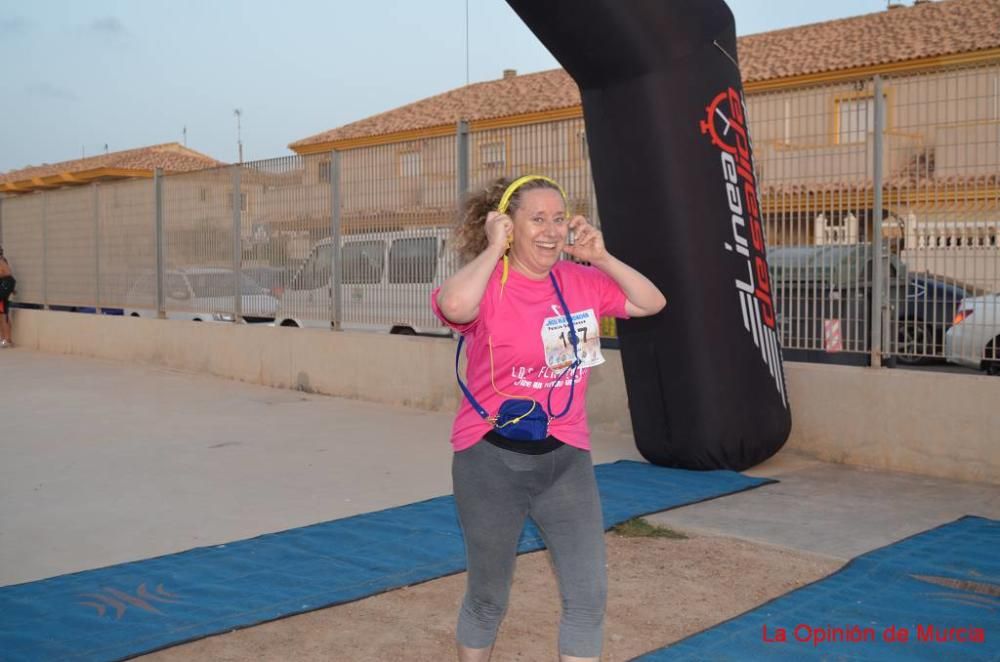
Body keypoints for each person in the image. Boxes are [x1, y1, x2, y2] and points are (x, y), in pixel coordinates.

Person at [432, 175, 666, 662]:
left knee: (588, 596)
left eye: (559, 219)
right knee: (488, 594)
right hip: (489, 461)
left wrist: (601, 257)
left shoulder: (580, 282)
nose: (551, 230)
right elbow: (453, 305)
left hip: (565, 460)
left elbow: (651, 302)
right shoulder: (489, 285)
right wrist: (493, 250)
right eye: (536, 219)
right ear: (508, 225)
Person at [0, 246, 14, 348]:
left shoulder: (1, 261)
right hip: (4, 290)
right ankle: (5, 339)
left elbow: (8, 273)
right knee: (3, 315)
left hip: (2, 291)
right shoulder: (3, 260)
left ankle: (6, 339)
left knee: (3, 315)